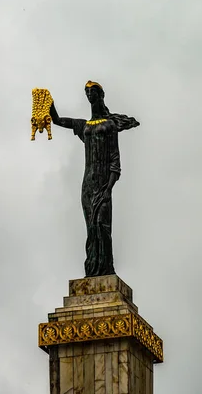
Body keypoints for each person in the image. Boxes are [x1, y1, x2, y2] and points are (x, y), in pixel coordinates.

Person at [50, 80, 140, 277]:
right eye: (87, 93)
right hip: (87, 185)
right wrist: (46, 100)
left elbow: (115, 162)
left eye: (92, 92)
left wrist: (108, 189)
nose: (89, 95)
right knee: (91, 227)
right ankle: (92, 270)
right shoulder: (84, 126)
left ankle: (106, 269)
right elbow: (56, 120)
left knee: (102, 225)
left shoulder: (109, 126)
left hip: (103, 185)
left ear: (100, 96)